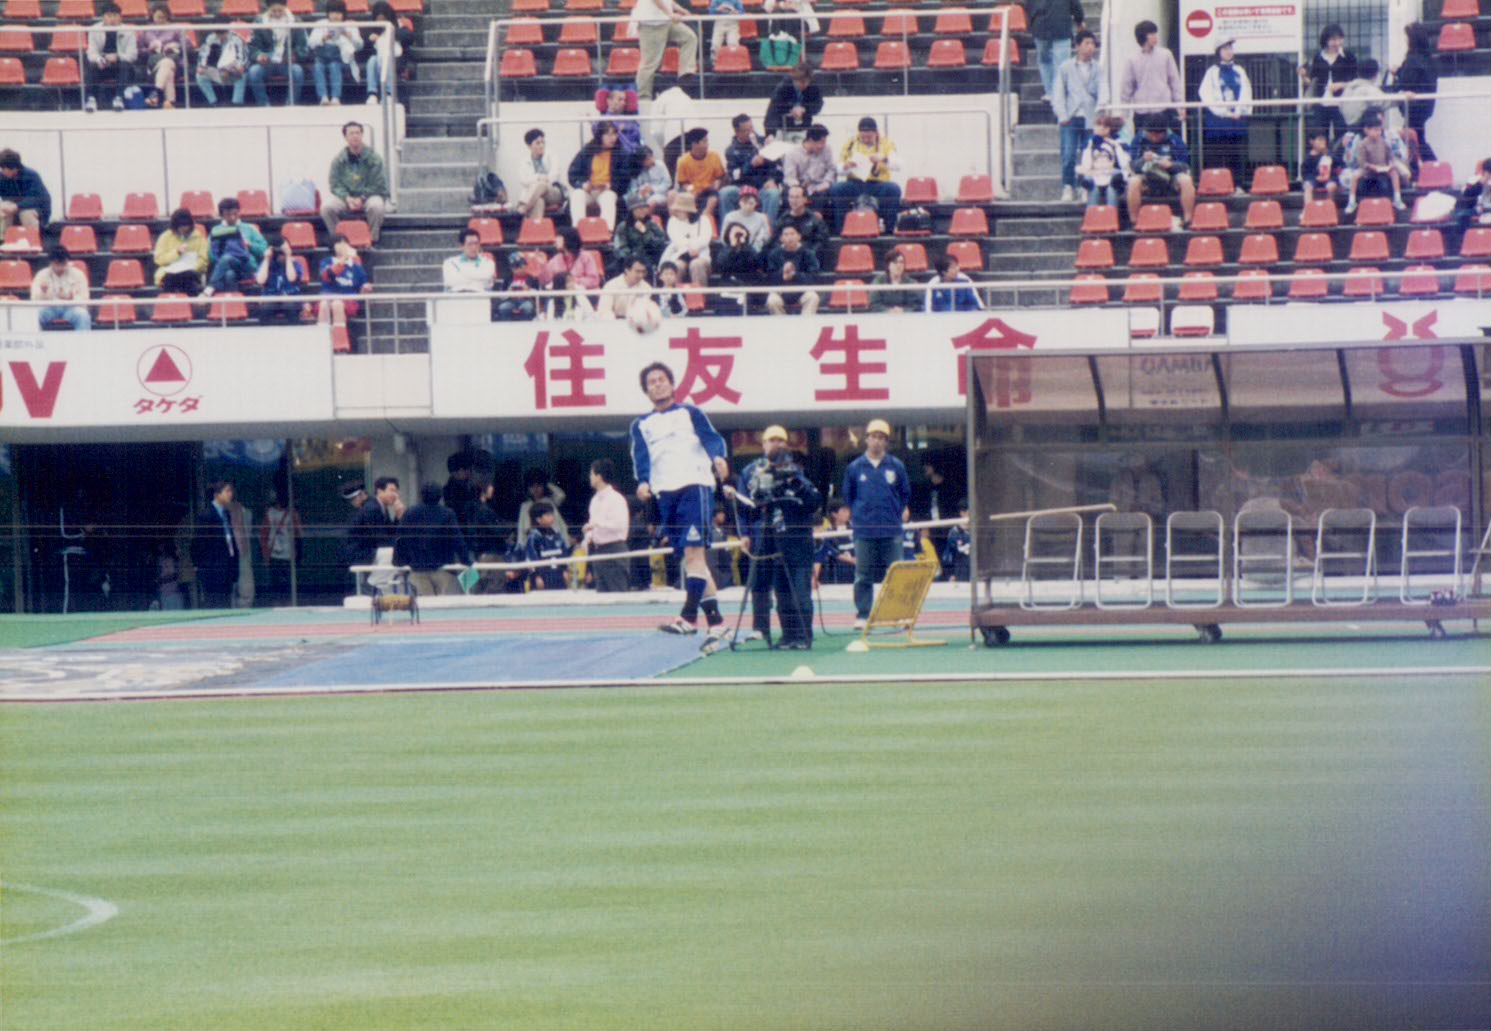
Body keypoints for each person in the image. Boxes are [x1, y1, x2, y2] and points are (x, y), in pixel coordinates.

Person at [630, 361, 733, 650]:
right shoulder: (641, 425)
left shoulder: (691, 412)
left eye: (662, 379)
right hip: (665, 493)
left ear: (672, 384)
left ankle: (688, 617)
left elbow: (712, 439)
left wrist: (718, 458)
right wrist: (643, 482)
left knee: (694, 555)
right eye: (651, 382)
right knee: (692, 560)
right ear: (646, 390)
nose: (657, 384)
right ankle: (717, 623)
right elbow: (641, 458)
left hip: (694, 485)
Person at [731, 425, 820, 649]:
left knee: (799, 589)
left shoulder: (795, 470)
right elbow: (747, 506)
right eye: (772, 440)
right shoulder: (753, 471)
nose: (777, 444)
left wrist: (793, 484)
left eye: (781, 440)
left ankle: (803, 635)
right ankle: (785, 635)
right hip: (770, 537)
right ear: (764, 444)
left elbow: (813, 502)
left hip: (797, 538)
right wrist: (745, 533)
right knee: (780, 590)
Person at [843, 418, 909, 629]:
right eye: (874, 437)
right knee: (863, 575)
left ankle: (898, 614)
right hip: (864, 531)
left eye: (882, 438)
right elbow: (848, 496)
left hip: (891, 529)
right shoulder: (855, 467)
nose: (877, 441)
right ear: (866, 439)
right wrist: (861, 515)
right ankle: (863, 615)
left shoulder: (896, 466)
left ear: (887, 442)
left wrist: (894, 513)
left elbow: (904, 494)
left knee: (896, 574)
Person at [1051, 29, 1106, 203]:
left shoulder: (1098, 68)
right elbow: (1058, 93)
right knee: (1068, 154)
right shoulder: (1065, 68)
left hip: (1090, 116)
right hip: (1071, 116)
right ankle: (1068, 185)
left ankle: (1085, 186)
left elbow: (1103, 90)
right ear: (1077, 46)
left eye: (1093, 44)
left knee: (1088, 154)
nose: (1091, 47)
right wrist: (1062, 114)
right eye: (1086, 43)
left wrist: (1101, 108)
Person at [391, 483, 469, 596]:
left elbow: (400, 540)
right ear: (440, 496)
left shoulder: (410, 513)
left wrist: (398, 561)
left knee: (424, 603)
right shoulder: (447, 514)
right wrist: (466, 560)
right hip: (443, 568)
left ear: (421, 496)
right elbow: (458, 540)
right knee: (446, 603)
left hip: (418, 569)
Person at [829, 117, 901, 234]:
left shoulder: (886, 144)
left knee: (894, 189)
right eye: (863, 137)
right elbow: (839, 167)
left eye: (869, 137)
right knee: (837, 189)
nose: (866, 140)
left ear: (876, 133)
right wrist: (846, 166)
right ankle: (841, 230)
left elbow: (898, 165)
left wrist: (884, 159)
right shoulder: (851, 144)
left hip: (877, 184)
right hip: (855, 183)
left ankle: (889, 230)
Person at [322, 121, 389, 244]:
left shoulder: (374, 158)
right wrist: (347, 198)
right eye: (351, 133)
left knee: (377, 206)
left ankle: (372, 240)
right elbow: (335, 184)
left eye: (358, 133)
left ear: (362, 135)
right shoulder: (338, 160)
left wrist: (362, 198)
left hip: (368, 197)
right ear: (345, 137)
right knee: (326, 208)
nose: (355, 136)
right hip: (347, 198)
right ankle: (340, 241)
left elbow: (378, 184)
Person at [1198, 39, 1252, 186]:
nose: (1229, 51)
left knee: (1236, 154)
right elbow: (1206, 95)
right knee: (1217, 154)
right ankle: (1217, 186)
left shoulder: (1239, 70)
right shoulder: (1212, 72)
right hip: (1218, 122)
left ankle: (1237, 185)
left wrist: (1239, 110)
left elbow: (1246, 92)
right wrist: (1225, 112)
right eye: (1225, 49)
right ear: (1218, 52)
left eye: (1230, 48)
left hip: (1236, 120)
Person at [1126, 112, 1196, 228]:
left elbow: (1185, 165)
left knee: (1186, 180)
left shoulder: (1175, 140)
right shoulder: (1138, 139)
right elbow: (1132, 165)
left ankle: (1188, 220)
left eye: (1157, 135)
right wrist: (1143, 160)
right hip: (1146, 177)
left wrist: (1171, 165)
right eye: (1151, 135)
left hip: (1170, 176)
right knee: (1133, 182)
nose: (1154, 138)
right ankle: (1134, 221)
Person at [567, 121, 638, 232]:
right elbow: (572, 173)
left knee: (609, 198)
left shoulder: (620, 153)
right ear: (600, 136)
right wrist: (582, 184)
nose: (612, 138)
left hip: (607, 191)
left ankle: (606, 232)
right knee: (577, 195)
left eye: (614, 134)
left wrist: (612, 186)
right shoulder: (588, 151)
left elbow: (625, 178)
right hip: (589, 191)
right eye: (608, 134)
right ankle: (578, 230)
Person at [720, 114, 783, 223]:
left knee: (773, 194)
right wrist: (750, 165)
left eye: (752, 128)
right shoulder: (731, 150)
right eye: (747, 131)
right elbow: (734, 175)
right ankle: (728, 228)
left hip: (762, 187)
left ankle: (768, 229)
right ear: (737, 132)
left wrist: (772, 180)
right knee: (725, 193)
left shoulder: (764, 142)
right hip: (742, 188)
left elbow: (777, 166)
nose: (751, 133)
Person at [1389, 23, 1438, 161]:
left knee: (1413, 140)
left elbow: (1406, 82)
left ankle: (1433, 166)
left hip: (1414, 107)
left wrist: (1396, 75)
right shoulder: (1428, 58)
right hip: (1425, 106)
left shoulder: (1412, 59)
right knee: (1416, 139)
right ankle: (1428, 167)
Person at [1300, 23, 1357, 139]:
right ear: (1326, 40)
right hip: (1322, 102)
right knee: (1321, 135)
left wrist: (1341, 85)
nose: (1337, 43)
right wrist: (1303, 76)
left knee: (1341, 135)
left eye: (1340, 39)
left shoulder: (1348, 57)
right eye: (1333, 40)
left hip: (1341, 102)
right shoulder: (1318, 57)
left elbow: (1355, 80)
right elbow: (1312, 81)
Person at [631, 0, 697, 100]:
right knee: (650, 63)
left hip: (665, 21)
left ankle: (686, 74)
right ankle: (642, 97)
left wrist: (680, 9)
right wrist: (670, 14)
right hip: (651, 23)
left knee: (689, 37)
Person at [246, 0, 308, 106]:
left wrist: (294, 55)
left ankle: (291, 103)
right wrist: (258, 56)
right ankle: (263, 105)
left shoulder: (296, 22)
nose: (277, 14)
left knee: (297, 71)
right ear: (268, 9)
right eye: (274, 11)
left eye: (280, 11)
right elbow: (252, 46)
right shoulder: (259, 22)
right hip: (267, 63)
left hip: (286, 63)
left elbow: (303, 47)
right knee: (254, 72)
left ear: (285, 8)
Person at [1119, 19, 1181, 122]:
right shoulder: (1132, 59)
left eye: (1155, 33)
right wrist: (1124, 113)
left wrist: (1180, 106)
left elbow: (1174, 81)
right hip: (1142, 110)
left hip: (1163, 108)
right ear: (1143, 36)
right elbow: (1126, 87)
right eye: (1151, 34)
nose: (1155, 36)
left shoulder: (1166, 55)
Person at [583, 458, 631, 593]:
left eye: (592, 474)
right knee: (602, 594)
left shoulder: (616, 499)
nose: (590, 477)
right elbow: (592, 525)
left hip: (614, 549)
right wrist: (588, 536)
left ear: (599, 476)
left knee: (618, 593)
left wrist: (597, 524)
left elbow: (620, 525)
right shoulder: (594, 500)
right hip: (598, 551)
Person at [205, 196, 268, 296]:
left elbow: (264, 250)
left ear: (239, 212)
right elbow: (210, 254)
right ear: (222, 215)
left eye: (235, 214)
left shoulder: (249, 228)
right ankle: (233, 303)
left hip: (246, 266)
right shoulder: (216, 230)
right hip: (225, 268)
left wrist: (250, 245)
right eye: (228, 214)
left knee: (226, 259)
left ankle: (209, 288)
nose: (232, 217)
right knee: (229, 274)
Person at [317, 232, 373, 343]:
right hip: (328, 297)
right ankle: (320, 343)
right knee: (324, 305)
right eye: (339, 243)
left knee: (337, 305)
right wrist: (344, 258)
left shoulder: (356, 267)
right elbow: (328, 275)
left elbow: (362, 287)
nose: (343, 246)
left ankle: (340, 344)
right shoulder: (326, 262)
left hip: (348, 300)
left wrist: (366, 289)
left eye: (345, 243)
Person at [192, 481, 241, 608]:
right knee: (214, 604)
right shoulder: (206, 516)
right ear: (217, 495)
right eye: (227, 491)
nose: (230, 494)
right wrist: (200, 566)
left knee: (226, 604)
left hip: (227, 567)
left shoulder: (226, 514)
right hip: (212, 569)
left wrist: (234, 563)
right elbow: (198, 544)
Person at [1345, 114, 1406, 215]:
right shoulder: (1362, 144)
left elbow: (1390, 156)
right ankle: (1351, 202)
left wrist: (1390, 164)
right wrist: (1372, 167)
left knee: (1394, 172)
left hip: (1383, 168)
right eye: (1375, 130)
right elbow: (1361, 162)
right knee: (1355, 175)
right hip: (1368, 169)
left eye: (1379, 130)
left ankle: (1397, 199)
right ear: (1367, 130)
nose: (1378, 133)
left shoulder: (1384, 142)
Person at [1028, 0, 1085, 103]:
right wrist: (1079, 21)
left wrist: (1032, 21)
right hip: (1061, 25)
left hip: (1040, 25)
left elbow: (1029, 5)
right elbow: (1075, 4)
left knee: (1045, 60)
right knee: (1061, 63)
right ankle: (1059, 93)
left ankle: (1050, 92)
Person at [85, 4, 137, 112]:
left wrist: (117, 57)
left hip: (120, 66)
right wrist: (99, 59)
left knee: (125, 66)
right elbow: (91, 53)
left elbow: (132, 55)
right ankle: (91, 99)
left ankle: (119, 98)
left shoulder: (129, 31)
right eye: (109, 15)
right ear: (103, 17)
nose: (112, 19)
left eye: (115, 15)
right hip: (103, 65)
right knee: (91, 66)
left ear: (120, 17)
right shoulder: (94, 29)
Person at [309, 0, 361, 106]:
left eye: (338, 13)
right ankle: (323, 97)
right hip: (322, 57)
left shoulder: (350, 25)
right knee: (318, 66)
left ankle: (335, 97)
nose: (335, 16)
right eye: (332, 12)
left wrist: (349, 36)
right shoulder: (320, 24)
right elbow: (310, 43)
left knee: (334, 66)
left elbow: (360, 46)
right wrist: (323, 38)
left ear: (343, 14)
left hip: (343, 60)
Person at [257, 487, 302, 604]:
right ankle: (284, 602)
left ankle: (280, 602)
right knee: (283, 582)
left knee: (278, 582)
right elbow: (299, 533)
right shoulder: (290, 514)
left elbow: (263, 535)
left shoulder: (272, 513)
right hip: (284, 553)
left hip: (279, 553)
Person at [345, 475, 402, 567]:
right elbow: (381, 540)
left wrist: (398, 516)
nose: (396, 495)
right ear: (380, 491)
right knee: (392, 553)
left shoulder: (381, 507)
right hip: (362, 554)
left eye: (396, 491)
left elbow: (390, 533)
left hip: (372, 552)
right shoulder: (371, 509)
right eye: (392, 491)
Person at [362, 1, 412, 104]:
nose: (381, 21)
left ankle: (390, 93)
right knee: (372, 61)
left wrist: (391, 32)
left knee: (387, 59)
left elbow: (409, 37)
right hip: (378, 59)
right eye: (379, 19)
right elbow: (363, 46)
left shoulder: (399, 26)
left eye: (383, 19)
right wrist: (370, 39)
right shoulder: (371, 29)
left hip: (395, 58)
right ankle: (372, 93)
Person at [660, 192, 713, 288]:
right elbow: (677, 240)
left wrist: (695, 247)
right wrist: (689, 248)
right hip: (680, 255)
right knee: (677, 266)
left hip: (700, 255)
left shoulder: (704, 220)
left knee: (696, 265)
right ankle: (675, 295)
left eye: (681, 210)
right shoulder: (672, 221)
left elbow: (705, 239)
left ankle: (699, 296)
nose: (678, 212)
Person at [151, 208, 209, 296]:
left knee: (188, 278)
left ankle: (191, 303)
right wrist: (176, 253)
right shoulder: (165, 237)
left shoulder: (199, 238)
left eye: (186, 227)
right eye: (181, 228)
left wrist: (193, 268)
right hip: (169, 273)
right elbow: (159, 259)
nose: (184, 230)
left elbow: (203, 260)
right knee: (172, 279)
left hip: (191, 272)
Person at [674, 127, 727, 223]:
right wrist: (692, 190)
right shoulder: (683, 160)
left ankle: (703, 222)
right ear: (695, 144)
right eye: (704, 141)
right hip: (692, 190)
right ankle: (683, 224)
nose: (708, 144)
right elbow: (682, 183)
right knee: (682, 197)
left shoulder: (714, 156)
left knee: (713, 200)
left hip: (709, 190)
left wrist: (716, 185)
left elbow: (720, 177)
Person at [1076, 114, 1129, 208]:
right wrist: (1089, 148)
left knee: (1111, 190)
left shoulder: (1118, 142)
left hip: (1112, 176)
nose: (1101, 128)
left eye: (1105, 126)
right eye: (1098, 125)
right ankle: (1092, 214)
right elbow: (1087, 166)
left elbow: (1124, 164)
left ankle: (1112, 214)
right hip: (1096, 175)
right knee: (1093, 188)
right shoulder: (1089, 144)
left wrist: (1117, 147)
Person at [31, 248, 91, 332]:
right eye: (57, 263)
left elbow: (85, 299)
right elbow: (33, 299)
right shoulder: (41, 275)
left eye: (63, 263)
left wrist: (72, 298)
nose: (60, 267)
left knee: (83, 315)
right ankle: (36, 340)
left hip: (71, 308)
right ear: (51, 262)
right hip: (49, 308)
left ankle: (82, 340)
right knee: (33, 316)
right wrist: (43, 292)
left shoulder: (79, 274)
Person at [764, 225, 819, 315]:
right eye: (786, 234)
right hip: (781, 291)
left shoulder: (808, 253)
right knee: (772, 300)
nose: (789, 237)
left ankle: (807, 323)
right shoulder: (774, 254)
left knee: (813, 297)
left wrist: (795, 275)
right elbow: (769, 277)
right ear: (781, 238)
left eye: (792, 234)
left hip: (802, 290)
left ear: (799, 236)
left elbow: (813, 276)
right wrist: (783, 274)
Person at [773, 183, 831, 267]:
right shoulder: (782, 220)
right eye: (791, 197)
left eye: (797, 197)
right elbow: (774, 240)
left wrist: (809, 253)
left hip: (806, 260)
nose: (794, 200)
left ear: (805, 199)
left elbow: (821, 241)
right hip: (785, 259)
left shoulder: (815, 220)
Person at [140, 4, 186, 108]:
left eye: (163, 17)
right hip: (154, 62)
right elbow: (139, 51)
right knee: (168, 68)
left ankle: (156, 93)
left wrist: (176, 45)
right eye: (158, 17)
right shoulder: (146, 29)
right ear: (152, 15)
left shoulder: (175, 29)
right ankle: (170, 102)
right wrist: (150, 49)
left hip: (174, 61)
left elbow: (188, 46)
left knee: (167, 63)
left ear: (168, 16)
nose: (160, 20)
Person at [516, 128, 565, 222]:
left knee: (541, 185)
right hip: (534, 195)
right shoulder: (524, 161)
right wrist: (539, 177)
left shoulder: (552, 156)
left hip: (552, 192)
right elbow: (524, 180)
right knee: (538, 201)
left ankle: (524, 208)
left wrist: (541, 181)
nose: (541, 145)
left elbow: (555, 175)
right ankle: (535, 229)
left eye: (543, 142)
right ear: (529, 146)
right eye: (537, 143)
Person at [782, 124, 836, 210]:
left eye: (825, 142)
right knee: (789, 194)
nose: (823, 145)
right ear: (811, 140)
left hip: (818, 186)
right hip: (798, 186)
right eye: (821, 142)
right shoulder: (792, 153)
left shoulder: (826, 149)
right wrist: (799, 190)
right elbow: (790, 177)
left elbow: (832, 169)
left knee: (824, 195)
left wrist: (827, 182)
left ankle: (817, 217)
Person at [763, 62, 822, 140]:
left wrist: (805, 109)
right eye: (802, 82)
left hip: (804, 127)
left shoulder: (813, 87)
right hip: (784, 128)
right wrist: (770, 134)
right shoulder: (783, 88)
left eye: (807, 82)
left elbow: (818, 105)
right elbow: (773, 112)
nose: (805, 85)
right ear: (794, 79)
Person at [0, 150, 51, 239]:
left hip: (37, 209)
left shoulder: (31, 175)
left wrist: (17, 206)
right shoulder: (2, 178)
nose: (2, 171)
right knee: (3, 211)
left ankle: (32, 240)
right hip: (15, 208)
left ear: (13, 168)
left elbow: (36, 199)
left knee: (26, 213)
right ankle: (4, 240)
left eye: (4, 169)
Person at [254, 234, 304, 322]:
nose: (281, 256)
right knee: (265, 308)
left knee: (290, 307)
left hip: (290, 297)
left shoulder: (295, 264)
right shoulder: (267, 264)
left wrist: (288, 257)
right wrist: (267, 258)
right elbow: (260, 281)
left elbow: (292, 278)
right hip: (271, 297)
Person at [194, 26, 249, 106]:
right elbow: (203, 55)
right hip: (217, 71)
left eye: (222, 34)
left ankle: (237, 103)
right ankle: (214, 102)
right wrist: (201, 66)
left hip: (233, 71)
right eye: (218, 34)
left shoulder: (237, 39)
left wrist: (235, 68)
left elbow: (242, 60)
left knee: (241, 74)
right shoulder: (210, 39)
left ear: (227, 32)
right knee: (200, 76)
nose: (220, 37)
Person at [614, 193, 669, 272]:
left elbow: (660, 242)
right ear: (632, 210)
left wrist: (645, 232)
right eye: (639, 208)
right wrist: (632, 259)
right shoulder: (623, 226)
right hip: (630, 261)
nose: (643, 211)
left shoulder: (651, 224)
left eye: (644, 208)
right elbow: (620, 247)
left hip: (649, 259)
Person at [523, 502, 571, 590]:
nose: (552, 517)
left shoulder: (557, 535)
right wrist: (537, 576)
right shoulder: (534, 537)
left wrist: (565, 570)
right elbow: (531, 558)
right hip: (542, 578)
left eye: (552, 514)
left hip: (558, 576)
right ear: (539, 519)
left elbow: (564, 554)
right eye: (548, 515)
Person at [539, 227, 602, 291]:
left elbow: (594, 281)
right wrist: (543, 265)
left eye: (558, 238)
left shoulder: (586, 257)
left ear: (567, 240)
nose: (555, 241)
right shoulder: (556, 259)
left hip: (583, 293)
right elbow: (545, 282)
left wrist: (573, 281)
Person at [516, 469, 569, 541]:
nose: (535, 489)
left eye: (539, 486)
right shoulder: (525, 506)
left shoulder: (550, 501)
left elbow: (561, 495)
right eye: (532, 486)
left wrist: (546, 483)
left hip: (553, 539)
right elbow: (522, 529)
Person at [813, 500, 855, 587]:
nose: (847, 513)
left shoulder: (855, 530)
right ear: (834, 514)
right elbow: (831, 551)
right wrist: (851, 560)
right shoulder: (829, 533)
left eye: (848, 510)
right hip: (840, 573)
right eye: (843, 511)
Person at [442, 227, 496, 293]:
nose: (474, 247)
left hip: (479, 297)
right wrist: (477, 278)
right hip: (457, 297)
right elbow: (451, 282)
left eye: (476, 243)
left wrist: (462, 275)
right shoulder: (450, 263)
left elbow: (486, 280)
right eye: (469, 244)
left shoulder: (488, 263)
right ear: (461, 246)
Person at [720, 185, 771, 252]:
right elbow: (723, 238)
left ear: (756, 203)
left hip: (754, 250)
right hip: (733, 249)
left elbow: (766, 237)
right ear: (739, 202)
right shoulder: (730, 216)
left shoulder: (761, 217)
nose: (747, 206)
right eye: (744, 202)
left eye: (751, 203)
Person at [630, 146, 673, 215]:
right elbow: (633, 188)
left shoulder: (660, 165)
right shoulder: (637, 171)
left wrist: (653, 189)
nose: (652, 159)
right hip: (642, 195)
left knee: (651, 202)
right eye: (648, 159)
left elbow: (668, 183)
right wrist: (640, 192)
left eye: (651, 156)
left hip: (659, 194)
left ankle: (647, 219)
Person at [1300, 131, 1337, 205]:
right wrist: (1315, 178)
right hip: (1313, 179)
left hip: (1328, 179)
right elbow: (1305, 173)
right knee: (1307, 186)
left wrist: (1326, 153)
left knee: (1331, 186)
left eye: (1324, 140)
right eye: (1319, 140)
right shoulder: (1308, 157)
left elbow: (1337, 165)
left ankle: (1328, 207)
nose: (1322, 142)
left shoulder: (1330, 154)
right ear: (1312, 142)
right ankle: (1309, 208)